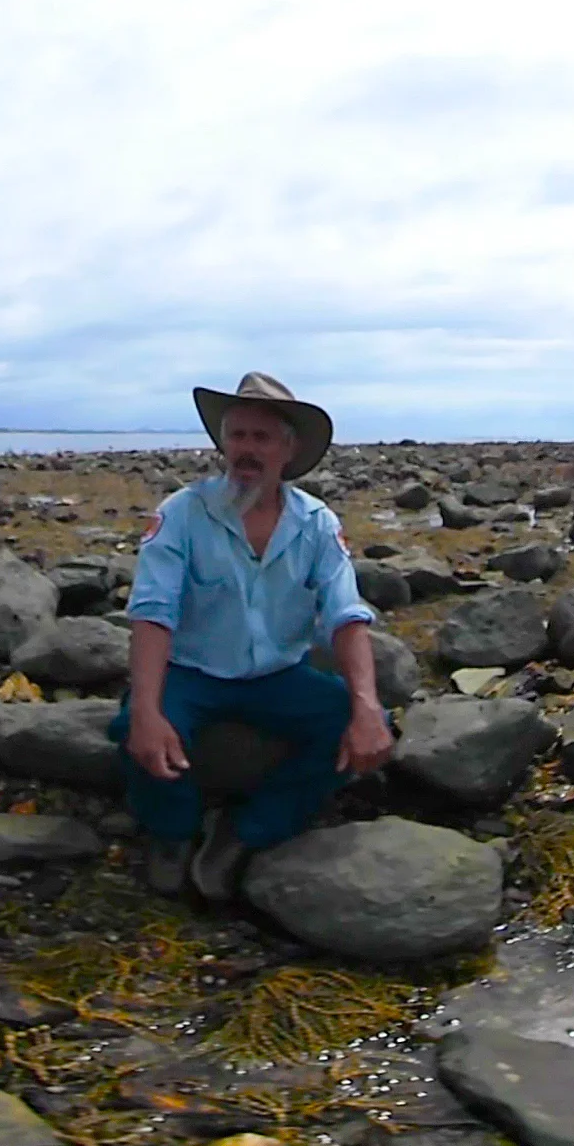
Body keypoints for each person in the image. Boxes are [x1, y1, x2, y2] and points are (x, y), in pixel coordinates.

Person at [114, 372, 392, 900]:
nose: (245, 449)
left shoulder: (316, 523)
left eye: (261, 438)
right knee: (137, 725)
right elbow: (152, 613)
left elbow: (346, 616)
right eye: (237, 436)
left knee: (361, 728)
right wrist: (148, 710)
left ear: (287, 451)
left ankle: (247, 831)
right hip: (191, 673)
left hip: (278, 677)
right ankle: (171, 833)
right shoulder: (181, 515)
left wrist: (367, 705)